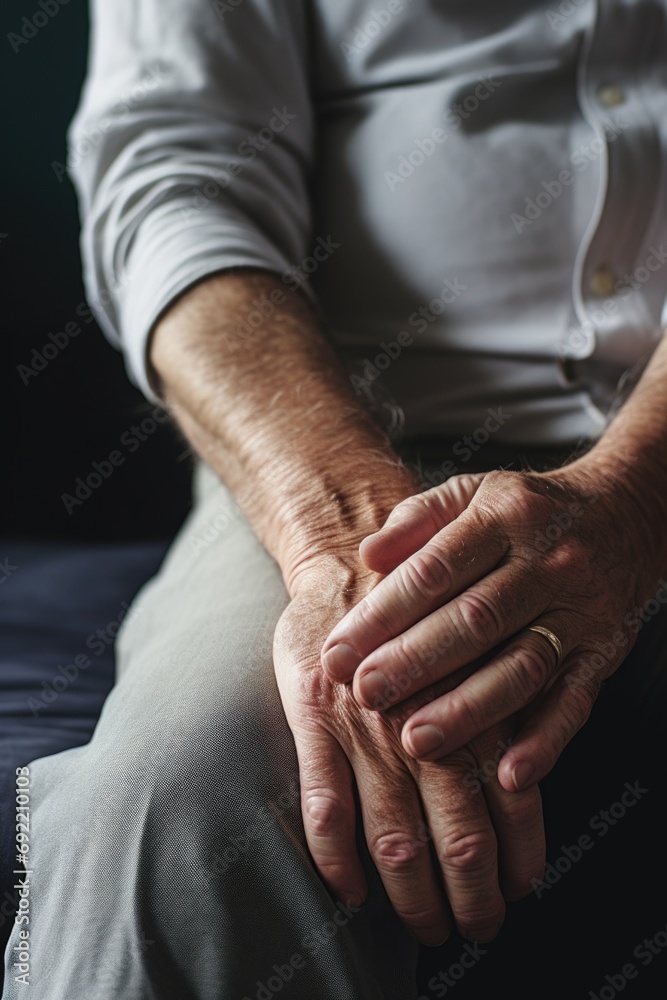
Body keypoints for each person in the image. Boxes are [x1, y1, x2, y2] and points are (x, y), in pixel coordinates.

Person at [4, 1, 667, 997]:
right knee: (184, 798)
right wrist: (350, 540)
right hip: (342, 442)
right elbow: (172, 174)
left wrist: (636, 501)